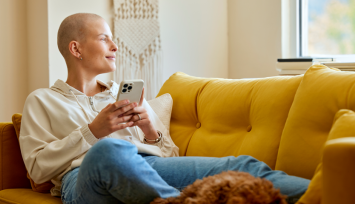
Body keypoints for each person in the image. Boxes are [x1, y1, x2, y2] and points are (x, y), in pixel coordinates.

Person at [19, 13, 310, 204]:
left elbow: (170, 154)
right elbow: (38, 169)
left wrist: (148, 129)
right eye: (104, 38)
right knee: (109, 151)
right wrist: (93, 132)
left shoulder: (123, 95)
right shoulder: (42, 100)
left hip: (149, 167)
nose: (115, 45)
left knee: (241, 167)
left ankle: (325, 192)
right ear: (75, 49)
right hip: (82, 180)